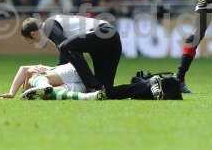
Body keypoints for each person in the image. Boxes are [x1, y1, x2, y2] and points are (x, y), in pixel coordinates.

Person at [20, 16, 170, 100]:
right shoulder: (56, 32)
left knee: (66, 47)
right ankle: (148, 85)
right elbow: (67, 59)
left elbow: (67, 51)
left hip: (104, 33)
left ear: (33, 34)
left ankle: (91, 85)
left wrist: (50, 73)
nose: (34, 45)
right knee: (107, 92)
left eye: (31, 41)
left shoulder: (49, 25)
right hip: (109, 42)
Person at [0, 63, 106, 101]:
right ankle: (90, 96)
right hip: (83, 83)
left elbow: (23, 69)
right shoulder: (37, 93)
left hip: (72, 71)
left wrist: (12, 93)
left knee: (37, 78)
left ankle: (44, 85)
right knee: (52, 94)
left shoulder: (35, 74)